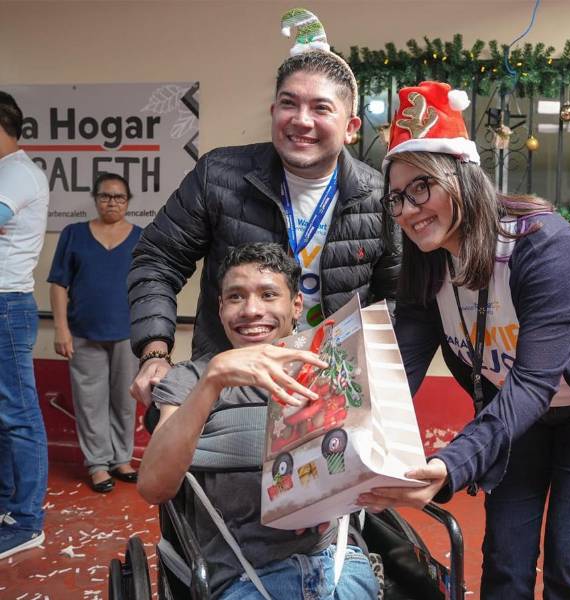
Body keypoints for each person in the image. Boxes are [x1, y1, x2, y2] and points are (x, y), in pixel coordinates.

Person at [357, 82, 570, 599]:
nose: (407, 210)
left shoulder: (543, 244)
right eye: (397, 198)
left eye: (421, 188)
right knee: (505, 561)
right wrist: (351, 444)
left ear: (462, 178)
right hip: (516, 414)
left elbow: (534, 382)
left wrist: (451, 462)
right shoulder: (425, 266)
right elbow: (397, 372)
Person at [128, 9, 399, 407]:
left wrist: (373, 381)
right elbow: (157, 260)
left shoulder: (379, 197)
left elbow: (396, 302)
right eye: (289, 104)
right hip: (229, 387)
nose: (301, 120)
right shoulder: (219, 175)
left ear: (351, 126)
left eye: (321, 108)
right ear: (273, 112)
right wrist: (155, 351)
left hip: (328, 394)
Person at [138, 241, 379, 600]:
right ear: (220, 308)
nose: (251, 310)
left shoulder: (331, 367)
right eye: (235, 297)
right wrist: (213, 380)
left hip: (337, 563)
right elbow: (154, 487)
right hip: (244, 576)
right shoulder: (191, 379)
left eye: (268, 295)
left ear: (296, 305)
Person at [47, 173, 142, 493]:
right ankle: (98, 465)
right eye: (105, 196)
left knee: (125, 402)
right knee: (90, 402)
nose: (112, 202)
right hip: (83, 333)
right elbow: (59, 283)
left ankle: (121, 459)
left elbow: (150, 285)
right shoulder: (74, 234)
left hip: (128, 333)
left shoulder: (141, 237)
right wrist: (61, 328)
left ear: (128, 201)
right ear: (95, 198)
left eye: (119, 197)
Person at [0, 91, 50, 560]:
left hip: (6, 306)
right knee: (4, 415)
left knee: (18, 415)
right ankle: (7, 506)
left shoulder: (15, 171)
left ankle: (26, 520)